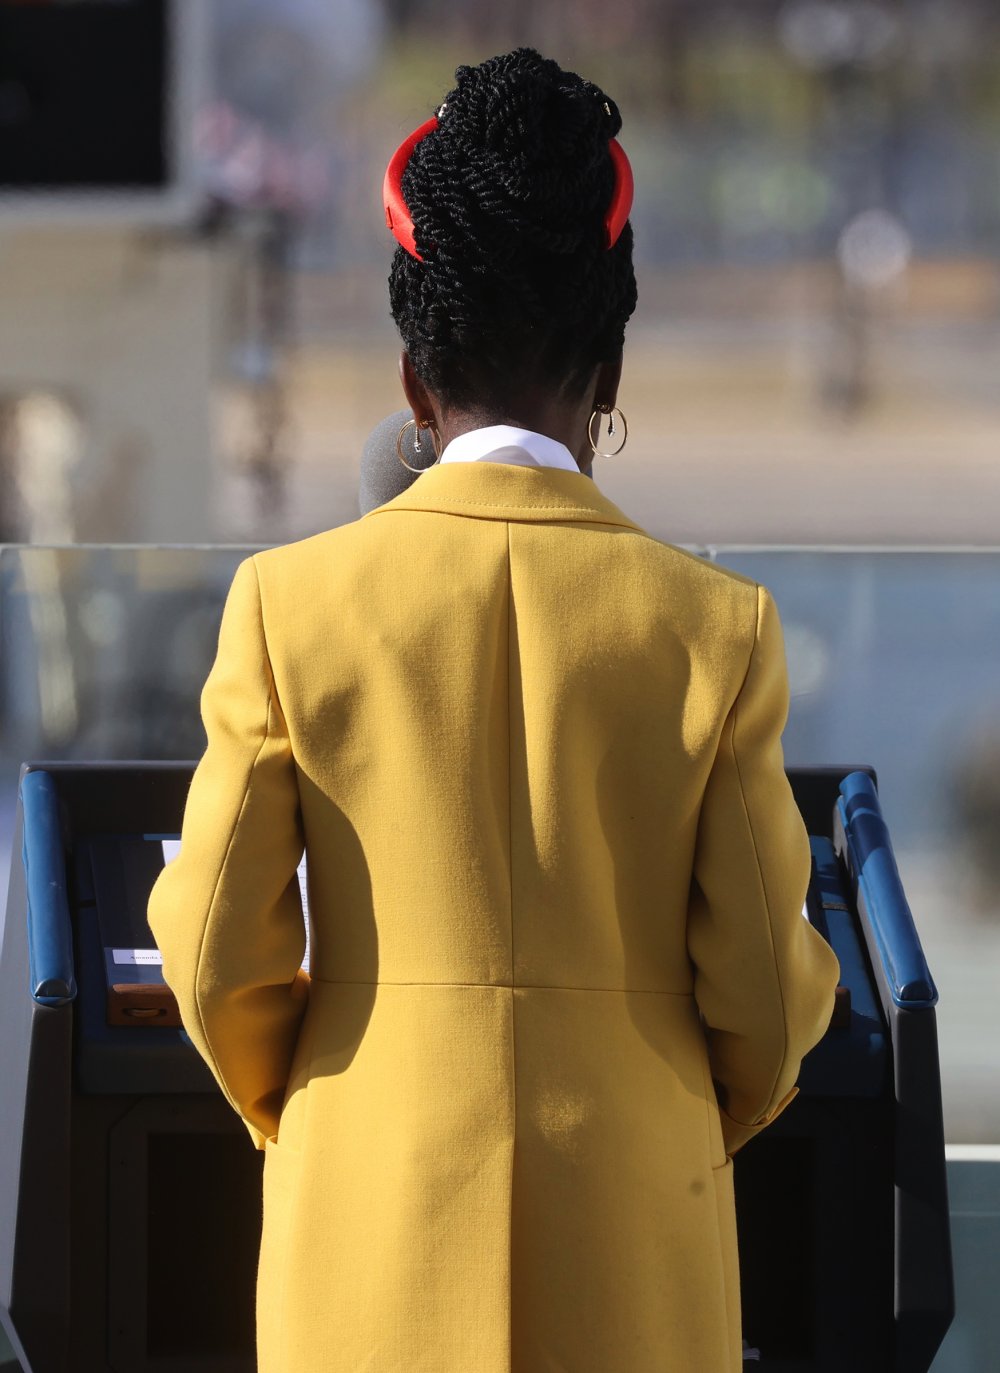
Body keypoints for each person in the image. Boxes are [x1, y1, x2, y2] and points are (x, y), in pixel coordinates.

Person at [148, 48, 840, 1373]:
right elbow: (762, 981)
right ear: (610, 374)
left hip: (366, 1244)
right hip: (637, 1244)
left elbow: (213, 950)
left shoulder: (289, 605)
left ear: (415, 381)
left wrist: (317, 1107)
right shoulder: (716, 628)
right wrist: (677, 1112)